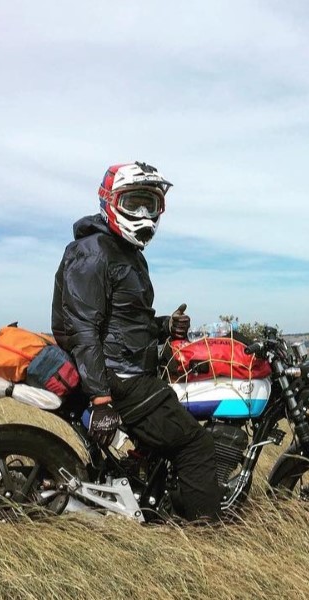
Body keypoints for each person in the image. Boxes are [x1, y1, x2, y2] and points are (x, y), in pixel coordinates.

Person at [51, 161, 222, 522]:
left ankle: (152, 491)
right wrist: (101, 399)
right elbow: (83, 328)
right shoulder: (95, 251)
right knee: (196, 445)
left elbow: (125, 322)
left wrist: (165, 327)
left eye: (150, 204)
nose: (143, 214)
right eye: (134, 203)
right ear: (110, 201)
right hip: (118, 379)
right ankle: (209, 538)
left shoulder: (123, 252)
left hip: (120, 370)